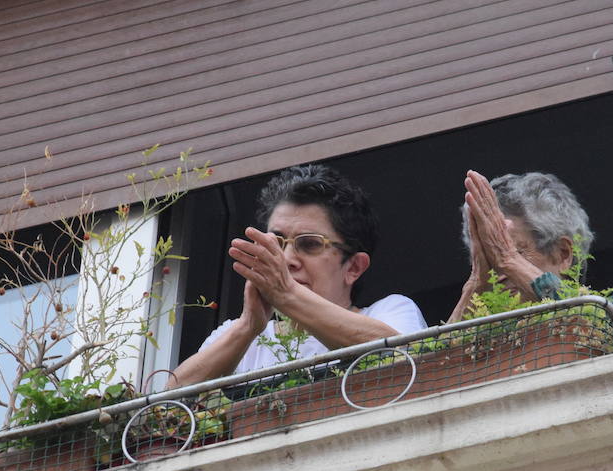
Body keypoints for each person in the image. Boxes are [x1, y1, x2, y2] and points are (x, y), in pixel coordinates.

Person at [170, 164, 427, 387]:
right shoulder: (240, 334)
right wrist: (248, 327)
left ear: (353, 268)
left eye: (310, 244)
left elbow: (405, 357)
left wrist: (286, 293)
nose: (287, 259)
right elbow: (165, 406)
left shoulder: (390, 311)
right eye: (277, 243)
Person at [447, 170, 593, 323]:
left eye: (516, 252)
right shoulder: (483, 341)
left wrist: (508, 259)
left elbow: (590, 324)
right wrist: (475, 285)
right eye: (491, 259)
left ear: (563, 254)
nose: (499, 270)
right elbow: (435, 347)